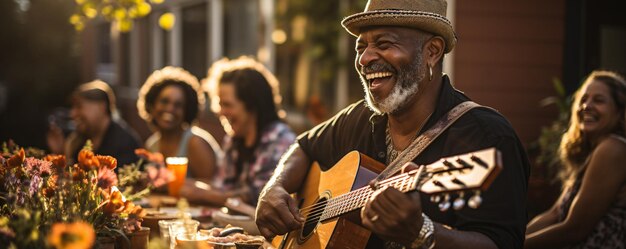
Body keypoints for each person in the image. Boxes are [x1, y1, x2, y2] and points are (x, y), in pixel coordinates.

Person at [254, 0, 531, 248]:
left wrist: (422, 233)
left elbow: (501, 242)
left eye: (384, 44)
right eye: (361, 47)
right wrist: (274, 188)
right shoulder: (359, 118)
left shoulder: (487, 137)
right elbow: (304, 145)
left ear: (432, 51)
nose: (365, 59)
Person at [525, 71, 626, 249]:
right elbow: (555, 214)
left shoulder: (613, 149)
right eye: (583, 99)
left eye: (599, 100)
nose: (586, 106)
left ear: (620, 112)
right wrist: (512, 238)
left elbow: (575, 229)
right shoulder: (595, 151)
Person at [180, 56, 296, 207]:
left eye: (227, 104)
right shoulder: (233, 140)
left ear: (252, 105)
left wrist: (202, 194)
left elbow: (261, 197)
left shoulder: (280, 139)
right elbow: (222, 187)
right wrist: (192, 186)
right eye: (219, 104)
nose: (221, 112)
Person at [137, 66, 221, 182]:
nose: (170, 109)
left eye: (178, 105)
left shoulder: (195, 143)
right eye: (164, 101)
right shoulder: (152, 145)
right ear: (152, 105)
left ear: (186, 111)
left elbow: (212, 186)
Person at [47, 80, 141, 167]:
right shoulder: (76, 142)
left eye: (79, 106)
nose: (73, 114)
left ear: (101, 107)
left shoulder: (125, 144)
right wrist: (60, 154)